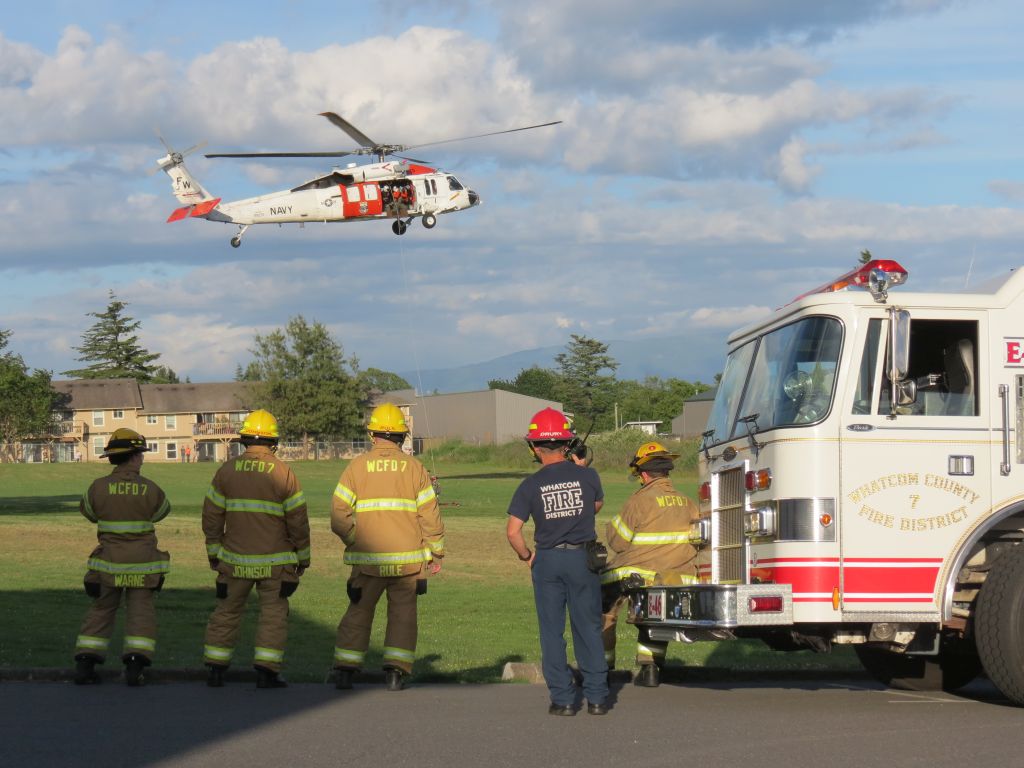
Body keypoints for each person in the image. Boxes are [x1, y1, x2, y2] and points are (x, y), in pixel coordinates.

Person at [331, 403, 445, 692]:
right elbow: (429, 515)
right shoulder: (415, 468)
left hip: (368, 561)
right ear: (402, 436)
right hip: (408, 562)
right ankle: (395, 672)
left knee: (358, 613)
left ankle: (346, 670)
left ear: (373, 435)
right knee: (403, 616)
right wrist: (436, 551)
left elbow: (339, 514)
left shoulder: (356, 466)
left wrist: (354, 539)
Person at [506, 408, 610, 716]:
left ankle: (563, 699)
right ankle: (597, 698)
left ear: (535, 448)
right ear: (567, 443)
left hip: (548, 559)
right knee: (588, 627)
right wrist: (579, 472)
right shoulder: (588, 475)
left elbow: (513, 532)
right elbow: (595, 506)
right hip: (582, 558)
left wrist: (527, 556)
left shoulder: (530, 484)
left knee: (552, 631)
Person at [201, 409, 310, 689]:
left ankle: (215, 669)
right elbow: (298, 520)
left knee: (226, 612)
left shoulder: (226, 471)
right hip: (275, 563)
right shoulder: (284, 472)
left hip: (234, 561)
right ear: (273, 442)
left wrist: (214, 552)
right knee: (273, 616)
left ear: (244, 440)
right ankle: (266, 672)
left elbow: (212, 516)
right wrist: (303, 557)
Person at [73, 428, 170, 686]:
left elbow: (89, 512)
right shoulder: (151, 489)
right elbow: (161, 512)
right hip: (143, 565)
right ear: (135, 457)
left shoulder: (97, 488)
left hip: (108, 564)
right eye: (141, 455)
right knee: (140, 613)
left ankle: (85, 663)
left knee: (101, 611)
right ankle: (135, 666)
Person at [601, 442, 699, 687]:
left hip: (635, 571)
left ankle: (603, 667)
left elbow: (618, 542)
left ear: (643, 474)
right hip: (676, 576)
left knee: (604, 610)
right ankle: (650, 667)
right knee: (654, 615)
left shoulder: (640, 500)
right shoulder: (688, 503)